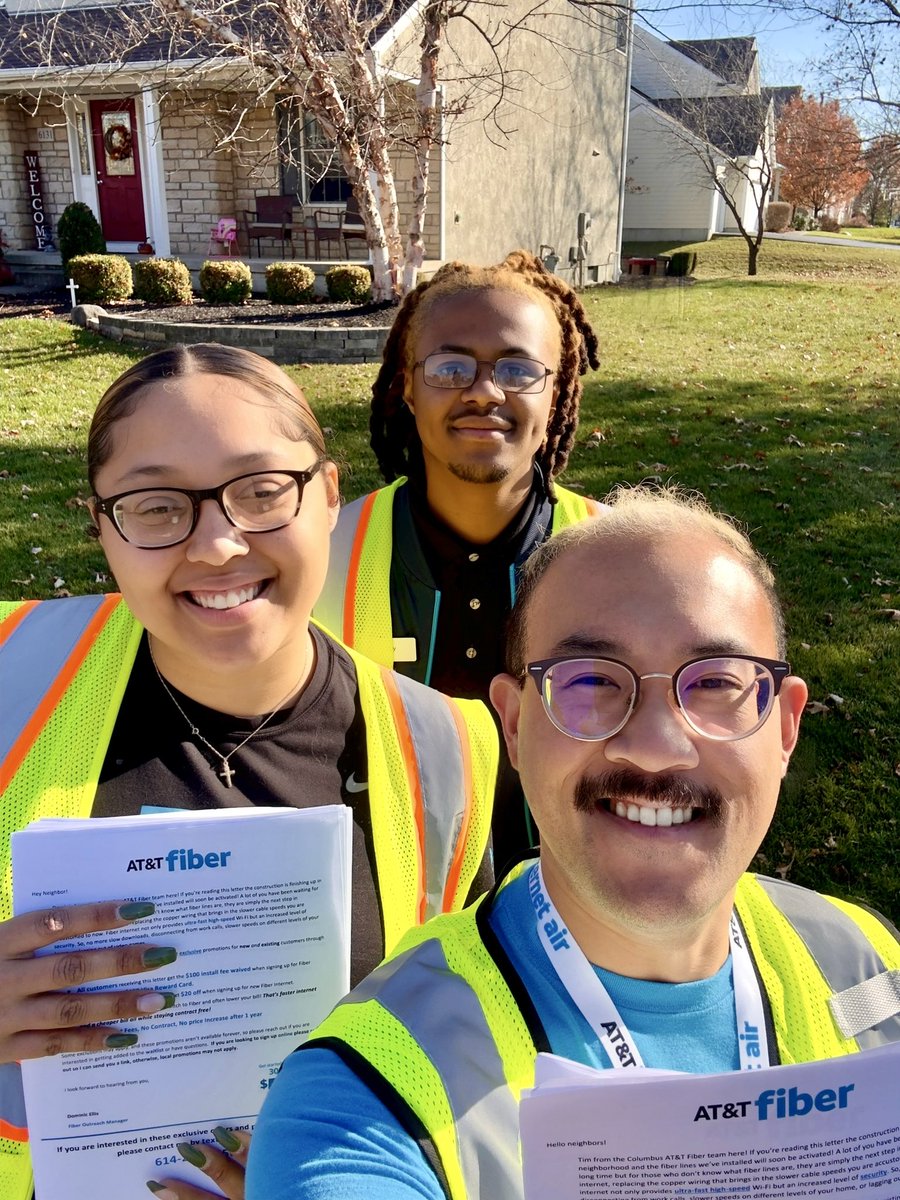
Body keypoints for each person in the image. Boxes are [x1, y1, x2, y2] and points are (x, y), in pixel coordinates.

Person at [248, 485, 900, 1200]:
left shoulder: (867, 956)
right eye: (590, 680)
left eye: (714, 681)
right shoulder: (359, 1102)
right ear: (517, 725)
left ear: (783, 728)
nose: (655, 748)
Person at [0, 344, 499, 1200]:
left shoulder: (449, 746)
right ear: (102, 529)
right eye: (156, 506)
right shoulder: (11, 676)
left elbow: (455, 1055)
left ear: (330, 496)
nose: (219, 543)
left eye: (262, 492)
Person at [315, 250, 604, 865]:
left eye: (519, 369)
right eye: (449, 368)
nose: (483, 392)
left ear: (555, 394)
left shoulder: (620, 558)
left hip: (569, 909)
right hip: (383, 910)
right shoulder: (321, 554)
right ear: (408, 387)